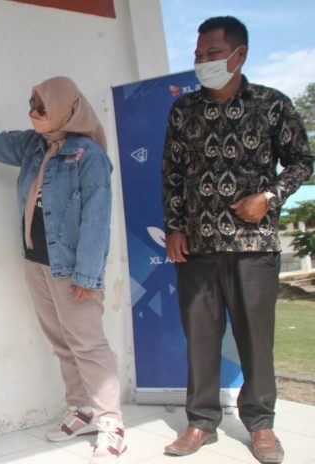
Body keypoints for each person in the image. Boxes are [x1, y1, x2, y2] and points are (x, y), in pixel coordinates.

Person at [0, 76, 126, 463]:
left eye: (41, 108)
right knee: (62, 341)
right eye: (32, 105)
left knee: (88, 344)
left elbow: (98, 219)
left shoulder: (89, 156)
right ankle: (82, 410)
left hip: (72, 269)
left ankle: (111, 423)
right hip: (37, 261)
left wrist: (87, 275)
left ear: (65, 110)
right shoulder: (35, 145)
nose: (33, 113)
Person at [162, 16, 314, 464]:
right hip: (198, 248)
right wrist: (174, 226)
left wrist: (269, 197)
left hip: (254, 247)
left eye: (212, 53)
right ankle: (200, 422)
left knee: (255, 342)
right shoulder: (184, 110)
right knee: (200, 339)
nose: (202, 61)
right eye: (198, 54)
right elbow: (172, 173)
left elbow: (302, 162)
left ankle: (261, 424)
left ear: (239, 54)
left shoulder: (272, 104)